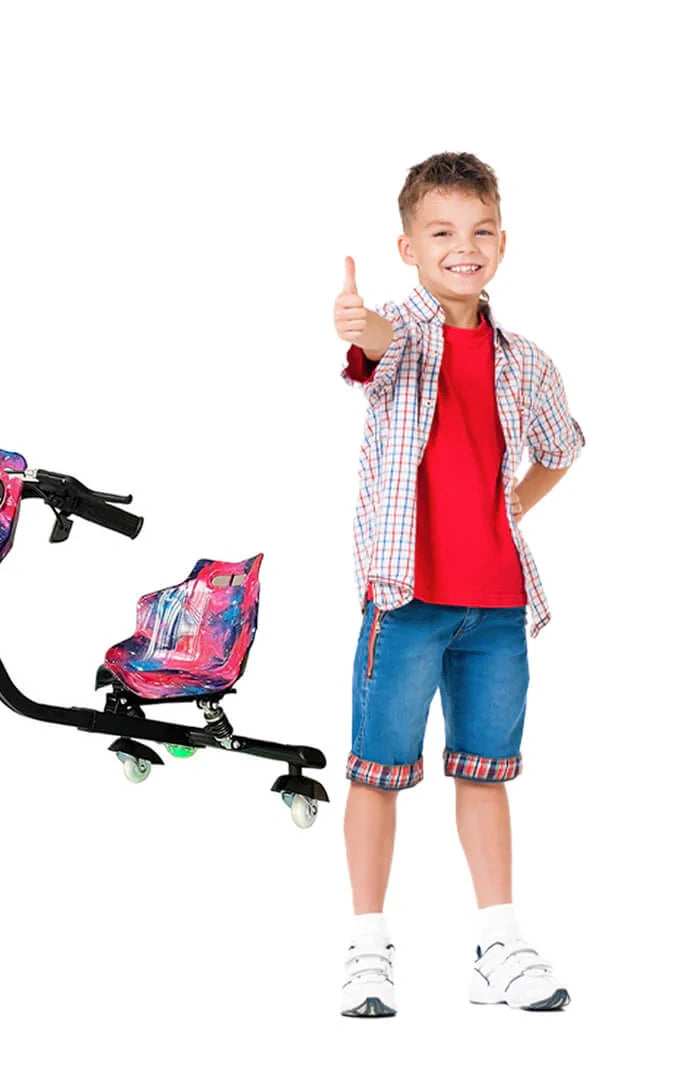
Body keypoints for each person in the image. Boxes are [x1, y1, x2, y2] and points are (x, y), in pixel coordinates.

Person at [332, 152, 584, 1017]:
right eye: (441, 233)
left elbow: (563, 446)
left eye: (479, 232)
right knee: (379, 770)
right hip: (404, 601)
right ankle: (368, 949)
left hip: (499, 606)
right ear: (409, 246)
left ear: (502, 244)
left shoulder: (527, 361)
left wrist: (509, 506)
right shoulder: (398, 332)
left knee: (486, 771)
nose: (462, 247)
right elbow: (374, 345)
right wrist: (356, 323)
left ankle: (498, 944)